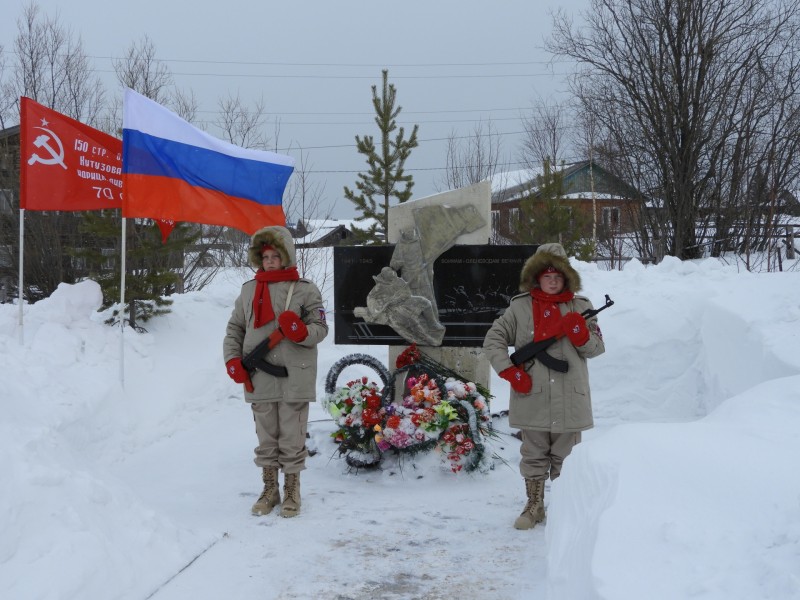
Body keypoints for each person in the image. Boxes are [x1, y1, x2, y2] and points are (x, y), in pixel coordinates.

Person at [483, 243, 605, 530]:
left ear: (567, 278)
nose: (552, 280)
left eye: (558, 276)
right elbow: (493, 340)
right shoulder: (520, 307)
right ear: (537, 277)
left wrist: (580, 335)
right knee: (534, 454)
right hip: (532, 394)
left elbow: (597, 348)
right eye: (547, 275)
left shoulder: (582, 307)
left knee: (567, 458)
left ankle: (564, 508)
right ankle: (534, 505)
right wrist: (510, 372)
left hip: (569, 396)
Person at [223, 225, 328, 518]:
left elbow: (320, 328)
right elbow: (235, 329)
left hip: (296, 372)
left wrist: (301, 331)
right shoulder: (248, 291)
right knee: (266, 436)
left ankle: (292, 489)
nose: (269, 261)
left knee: (292, 436)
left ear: (286, 257)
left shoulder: (306, 289)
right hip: (259, 374)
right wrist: (232, 359)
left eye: (274, 256)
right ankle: (270, 489)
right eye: (265, 256)